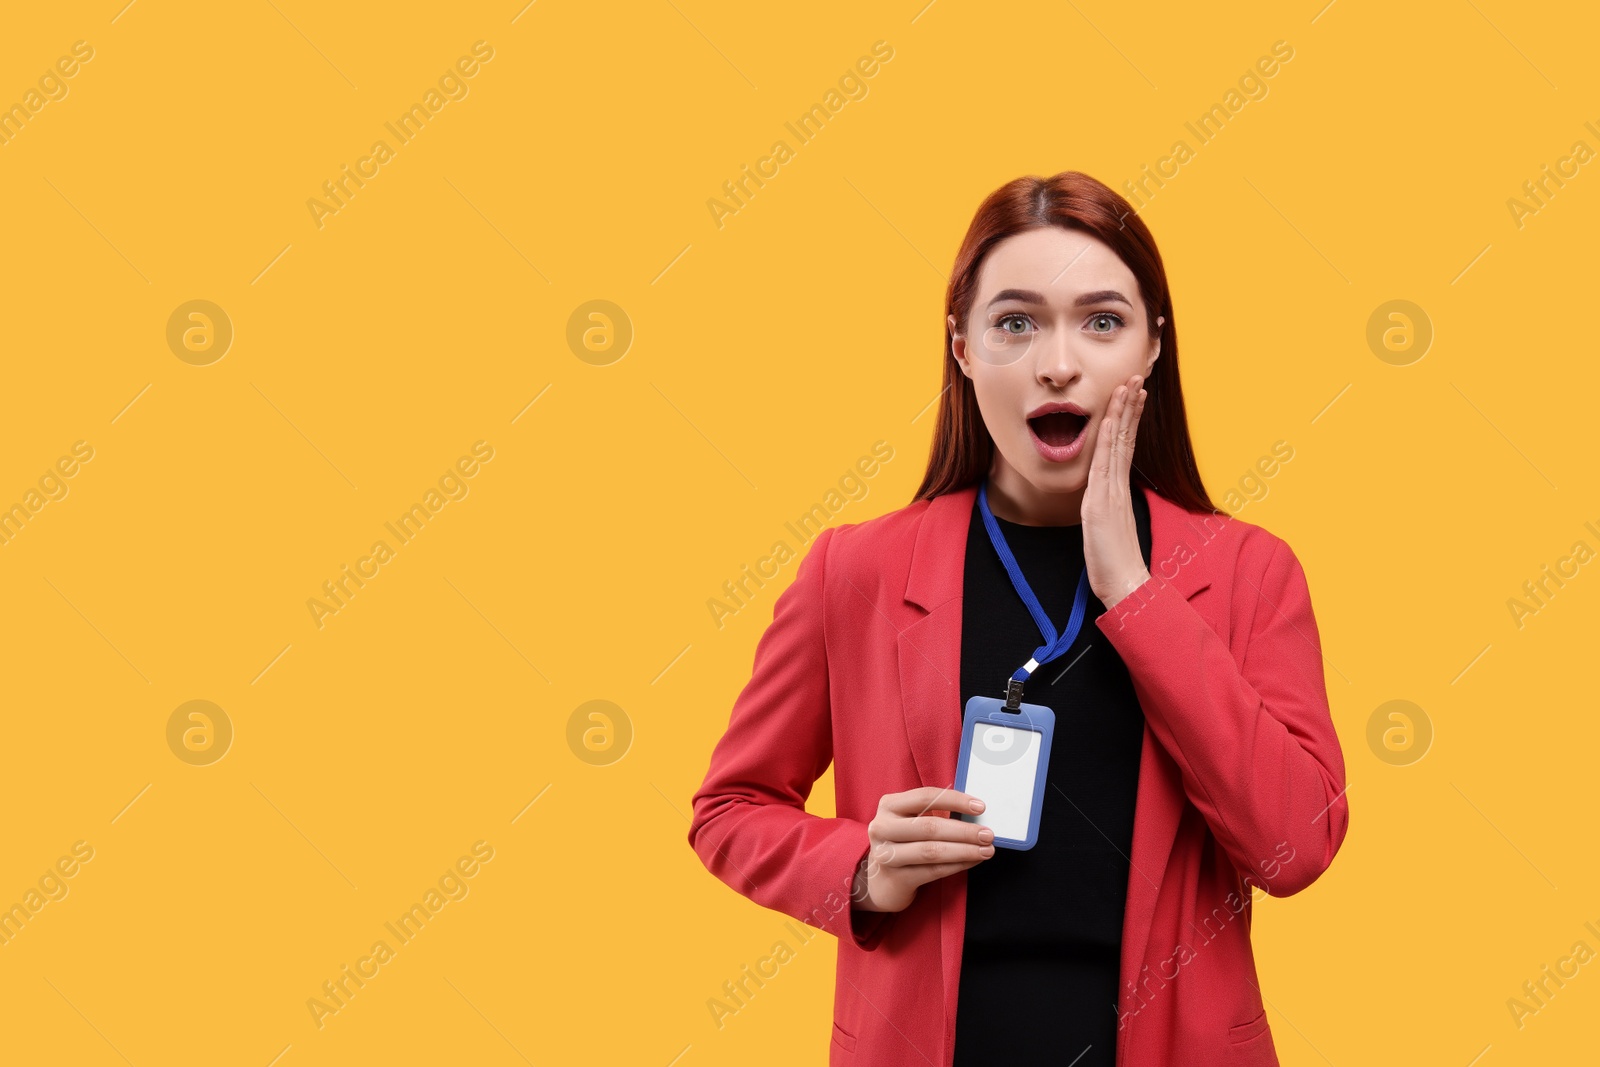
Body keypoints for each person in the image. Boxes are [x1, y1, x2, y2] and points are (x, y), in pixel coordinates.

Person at [686, 171, 1350, 1067]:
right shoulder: (857, 571)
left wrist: (1136, 593)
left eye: (1103, 320)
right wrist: (861, 872)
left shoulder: (1248, 572)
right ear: (962, 348)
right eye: (1016, 322)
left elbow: (1294, 846)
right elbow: (729, 808)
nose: (1059, 361)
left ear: (1153, 347)